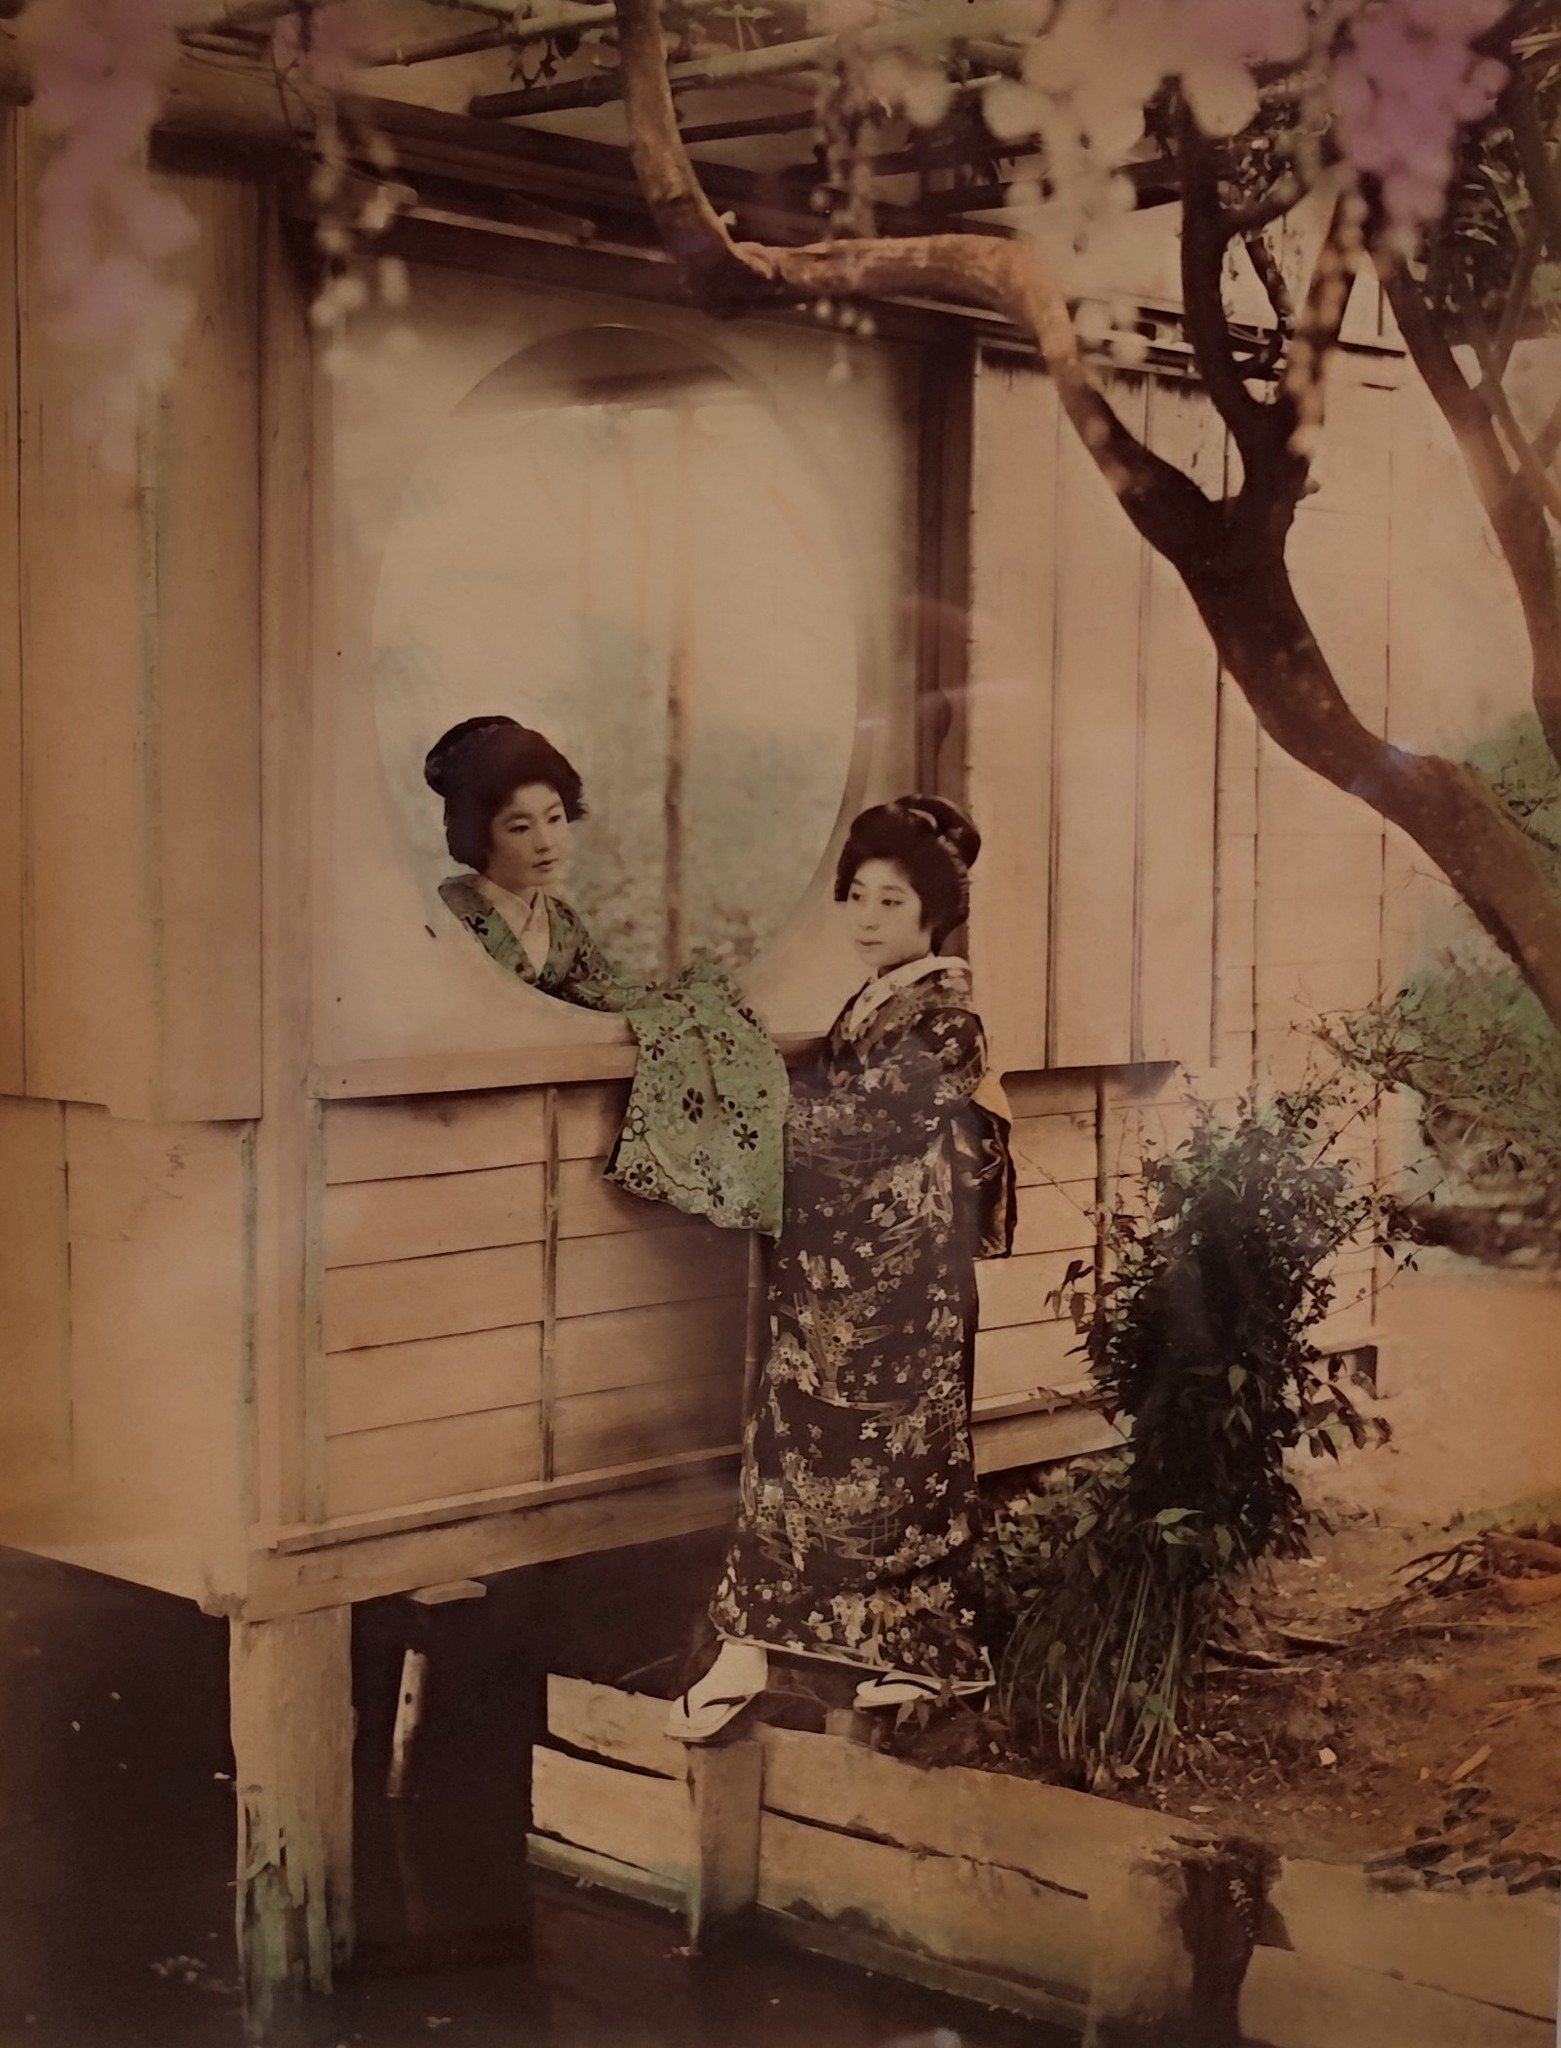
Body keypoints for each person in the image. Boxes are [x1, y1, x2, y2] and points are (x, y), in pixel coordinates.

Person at [669, 796, 1015, 1740]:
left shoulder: (947, 1020)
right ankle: (752, 1642)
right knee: (794, 1451)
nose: (865, 918)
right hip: (830, 1273)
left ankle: (921, 1653)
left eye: (890, 902)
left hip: (904, 1282)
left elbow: (853, 1132)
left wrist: (740, 1099)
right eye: (856, 896)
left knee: (901, 1464)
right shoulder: (877, 1000)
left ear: (934, 912)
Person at [424, 714, 786, 1234]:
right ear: (479, 834)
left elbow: (607, 992)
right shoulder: (448, 916)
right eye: (520, 827)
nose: (545, 842)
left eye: (554, 819)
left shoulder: (561, 921)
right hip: (466, 1116)